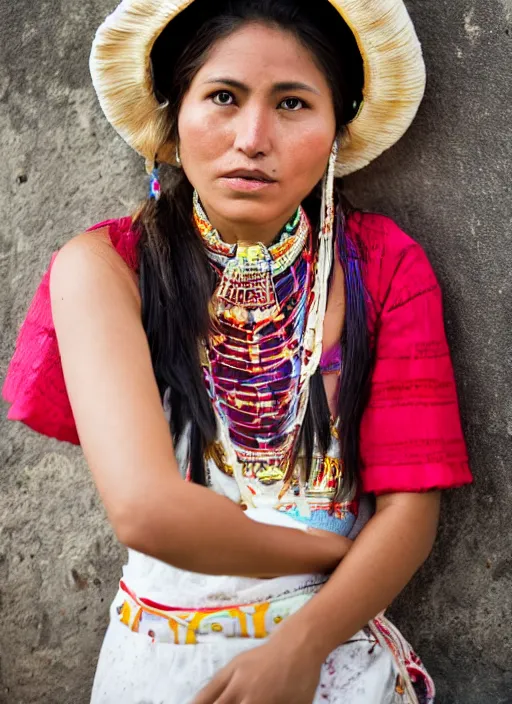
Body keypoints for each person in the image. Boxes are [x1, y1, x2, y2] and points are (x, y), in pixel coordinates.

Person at [2, 0, 473, 702]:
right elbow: (148, 513)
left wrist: (306, 643)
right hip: (162, 657)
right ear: (173, 111)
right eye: (223, 96)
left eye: (292, 103)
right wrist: (337, 550)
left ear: (338, 126)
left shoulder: (383, 265)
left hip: (336, 652)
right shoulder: (105, 267)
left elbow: (411, 508)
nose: (252, 138)